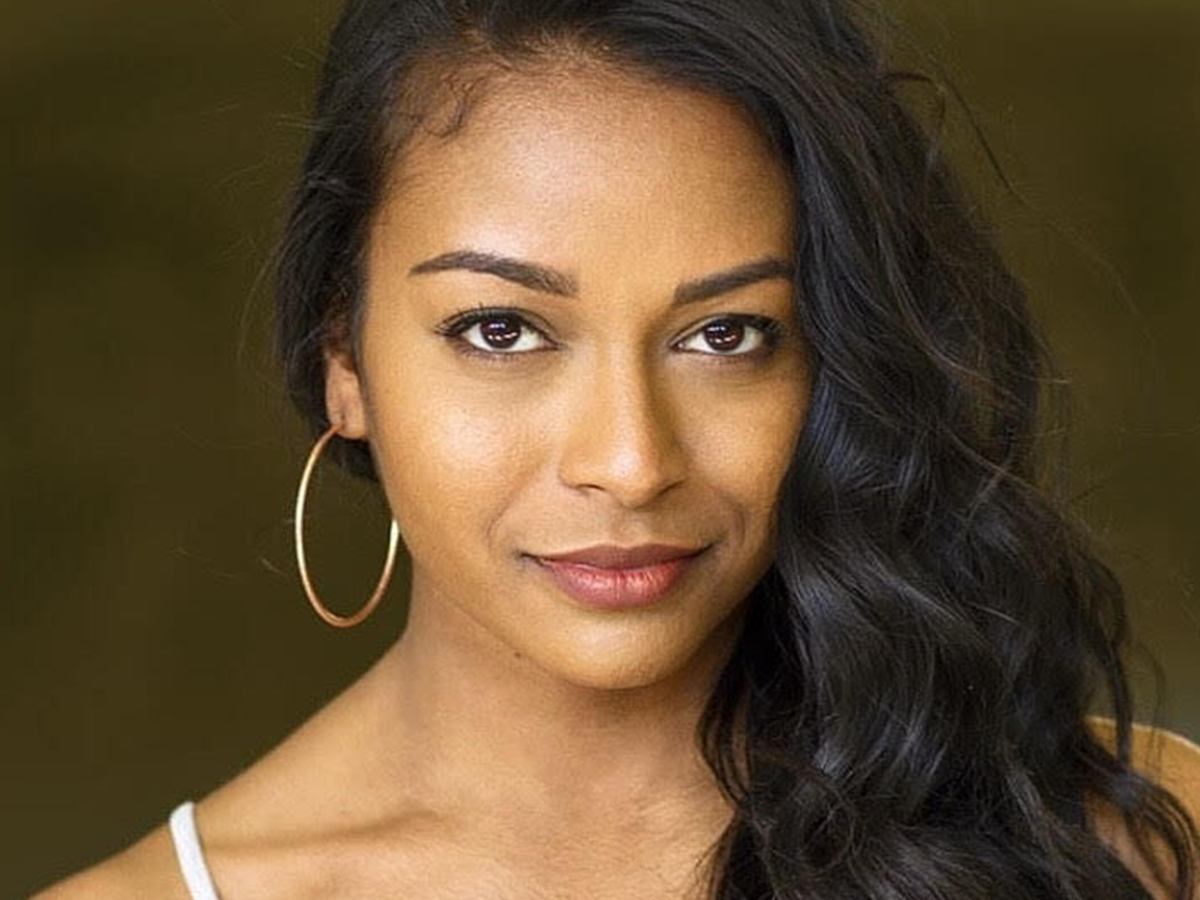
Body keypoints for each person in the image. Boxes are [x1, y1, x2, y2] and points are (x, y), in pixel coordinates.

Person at [31, 0, 1200, 898]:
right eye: (503, 330)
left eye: (726, 334)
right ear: (346, 356)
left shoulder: (1124, 843)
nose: (631, 462)